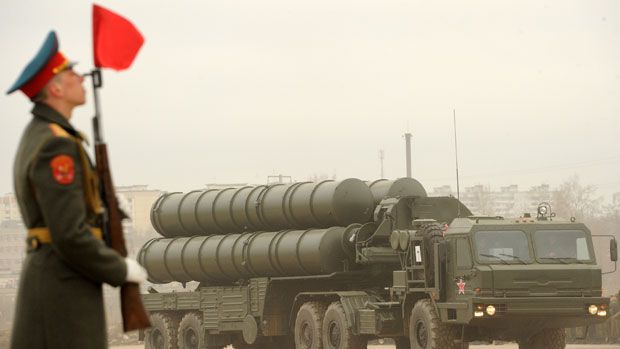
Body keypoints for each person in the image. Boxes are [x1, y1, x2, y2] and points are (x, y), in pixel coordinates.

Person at [6, 31, 148, 349]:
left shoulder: (46, 135)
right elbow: (68, 233)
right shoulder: (56, 145)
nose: (82, 78)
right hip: (62, 292)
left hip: (59, 284)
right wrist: (119, 268)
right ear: (55, 88)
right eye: (71, 73)